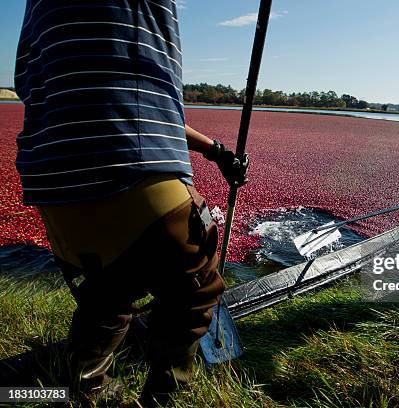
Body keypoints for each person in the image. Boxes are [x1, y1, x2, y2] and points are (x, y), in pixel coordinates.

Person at [13, 0, 248, 405]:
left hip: (52, 192)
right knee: (196, 291)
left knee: (106, 292)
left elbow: (112, 95)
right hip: (136, 174)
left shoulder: (36, 10)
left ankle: (85, 392)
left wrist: (216, 150)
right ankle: (163, 398)